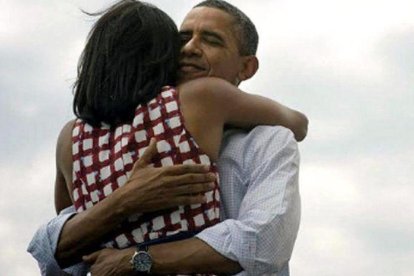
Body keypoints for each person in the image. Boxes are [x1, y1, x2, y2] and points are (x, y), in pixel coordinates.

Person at [28, 0, 306, 275]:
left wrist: (135, 260)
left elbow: (262, 245)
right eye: (181, 39)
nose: (188, 49)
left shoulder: (268, 142)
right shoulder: (183, 109)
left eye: (211, 40)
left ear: (246, 67)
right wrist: (126, 199)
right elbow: (64, 245)